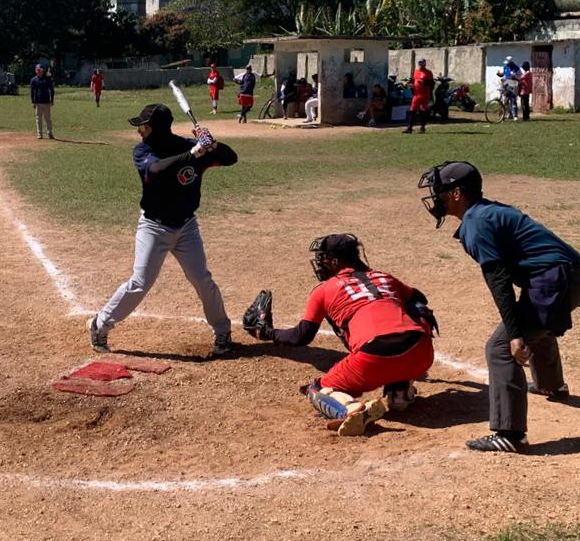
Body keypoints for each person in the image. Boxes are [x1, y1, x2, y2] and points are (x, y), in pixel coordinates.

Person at [417, 161, 580, 453]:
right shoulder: (484, 212)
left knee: (501, 347)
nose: (436, 197)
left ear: (458, 193)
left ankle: (510, 433)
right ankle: (552, 385)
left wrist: (514, 335)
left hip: (558, 280)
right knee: (537, 323)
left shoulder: (476, 223)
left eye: (440, 191)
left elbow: (498, 282)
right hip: (570, 275)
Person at [247, 234, 437, 436]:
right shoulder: (384, 277)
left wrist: (266, 333)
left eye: (323, 259)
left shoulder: (324, 290)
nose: (320, 264)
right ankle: (398, 393)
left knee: (317, 390)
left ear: (334, 261)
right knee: (397, 338)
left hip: (373, 360)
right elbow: (419, 298)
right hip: (421, 354)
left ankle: (351, 409)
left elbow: (301, 336)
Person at [88, 104, 238, 358]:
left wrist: (213, 144)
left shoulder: (189, 147)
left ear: (155, 129)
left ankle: (222, 331)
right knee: (140, 283)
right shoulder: (144, 151)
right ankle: (100, 325)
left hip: (187, 227)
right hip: (154, 227)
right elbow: (157, 171)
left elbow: (230, 158)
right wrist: (195, 153)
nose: (139, 132)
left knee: (202, 280)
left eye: (142, 127)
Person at [403, 59, 433, 134]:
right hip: (416, 95)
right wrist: (408, 84)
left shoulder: (428, 73)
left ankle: (422, 128)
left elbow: (431, 84)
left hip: (424, 95)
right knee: (412, 110)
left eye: (422, 64)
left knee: (423, 111)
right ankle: (409, 128)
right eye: (420, 64)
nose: (421, 65)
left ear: (425, 64)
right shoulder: (416, 71)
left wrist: (424, 83)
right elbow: (414, 81)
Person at [30, 64, 55, 140]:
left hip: (47, 102)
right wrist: (33, 102)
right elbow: (32, 92)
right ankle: (39, 134)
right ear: (35, 71)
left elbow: (51, 90)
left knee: (48, 119)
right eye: (37, 70)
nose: (39, 71)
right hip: (38, 102)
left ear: (42, 70)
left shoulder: (47, 79)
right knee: (38, 119)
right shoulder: (33, 80)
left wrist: (52, 100)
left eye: (40, 70)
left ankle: (50, 133)